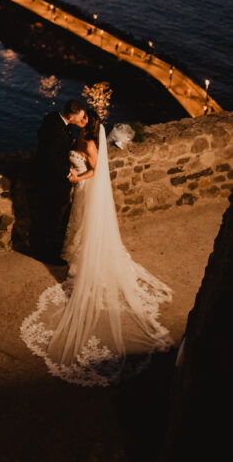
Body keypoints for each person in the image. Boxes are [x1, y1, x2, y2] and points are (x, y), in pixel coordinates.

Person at [20, 111, 173, 386]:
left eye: (82, 123)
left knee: (85, 225)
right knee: (76, 225)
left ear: (88, 127)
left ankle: (88, 257)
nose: (79, 125)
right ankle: (77, 251)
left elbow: (95, 170)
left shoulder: (90, 145)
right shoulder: (78, 138)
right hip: (77, 191)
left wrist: (77, 180)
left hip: (85, 189)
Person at [30, 99, 88, 265]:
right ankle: (45, 254)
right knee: (50, 217)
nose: (82, 120)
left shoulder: (53, 118)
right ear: (71, 116)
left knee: (47, 216)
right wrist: (68, 171)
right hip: (51, 182)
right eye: (80, 117)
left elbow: (43, 138)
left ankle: (42, 248)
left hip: (47, 179)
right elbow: (50, 159)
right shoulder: (57, 131)